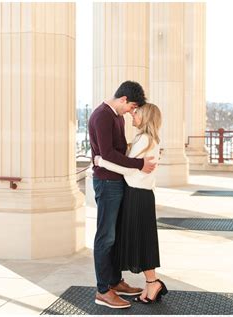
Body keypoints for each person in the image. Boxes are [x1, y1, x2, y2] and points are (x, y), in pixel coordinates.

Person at [88, 81, 156, 309]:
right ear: (124, 99)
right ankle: (103, 290)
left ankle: (114, 281)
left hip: (116, 182)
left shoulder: (115, 116)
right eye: (132, 107)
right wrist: (139, 163)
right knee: (105, 237)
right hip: (107, 183)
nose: (131, 112)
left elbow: (116, 150)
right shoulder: (102, 116)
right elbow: (107, 153)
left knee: (114, 236)